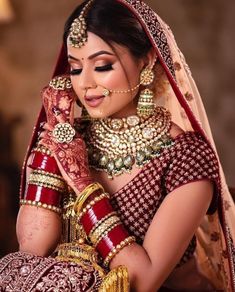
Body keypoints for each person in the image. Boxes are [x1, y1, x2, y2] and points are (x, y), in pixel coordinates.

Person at [0, 0, 234, 291]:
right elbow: (32, 253)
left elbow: (141, 281)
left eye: (102, 65)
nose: (84, 83)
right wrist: (55, 142)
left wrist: (81, 180)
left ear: (147, 61)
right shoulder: (69, 139)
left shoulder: (186, 158)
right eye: (75, 68)